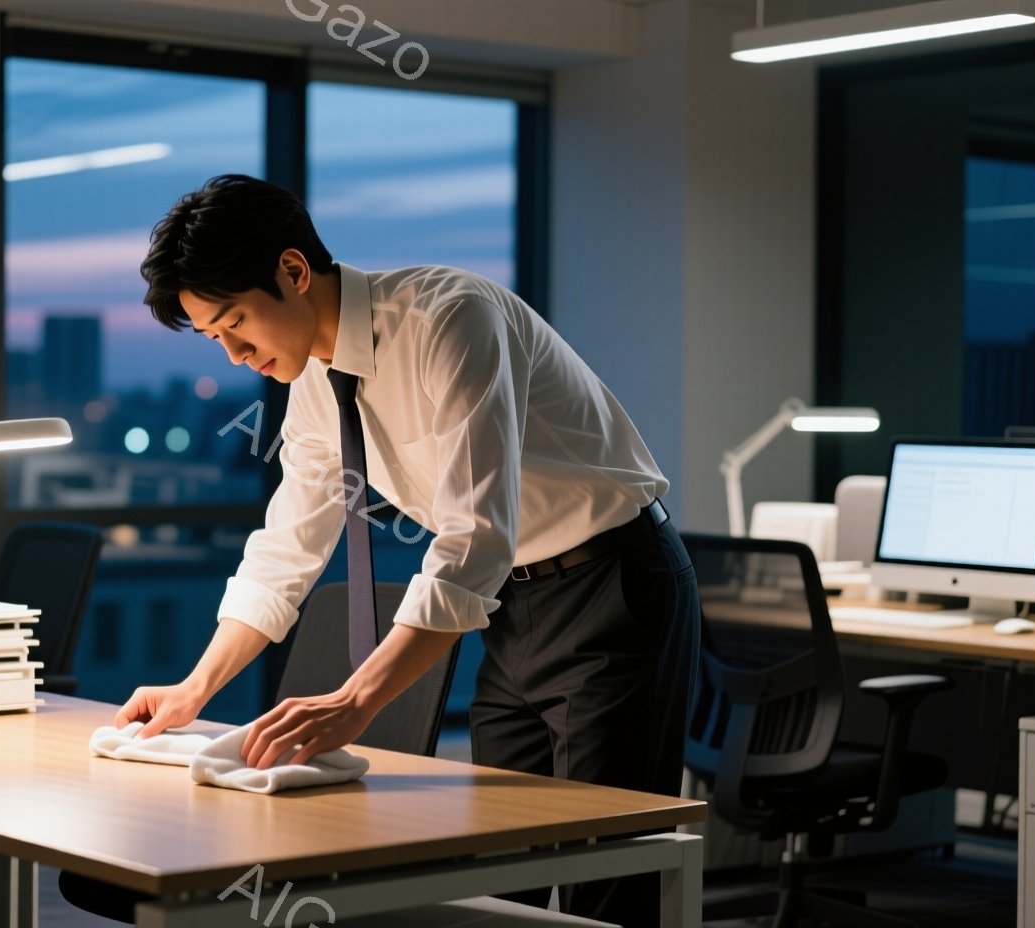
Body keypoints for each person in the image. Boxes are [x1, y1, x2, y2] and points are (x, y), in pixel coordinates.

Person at [115, 174, 699, 925]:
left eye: (235, 323)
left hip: (613, 586)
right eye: (213, 338)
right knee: (500, 872)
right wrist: (196, 690)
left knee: (606, 878)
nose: (232, 355)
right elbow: (289, 545)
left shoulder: (449, 320)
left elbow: (471, 536)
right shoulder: (316, 382)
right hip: (514, 604)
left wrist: (355, 701)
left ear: (293, 272)